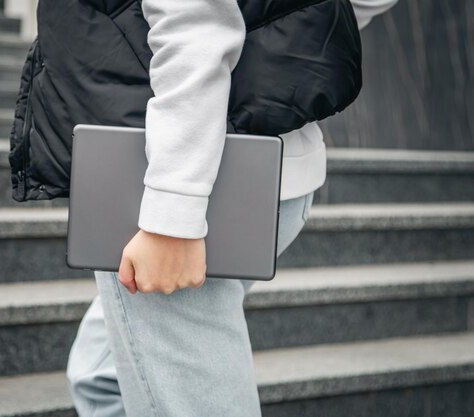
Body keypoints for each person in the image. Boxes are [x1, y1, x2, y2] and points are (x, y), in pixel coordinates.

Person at [66, 0, 399, 416]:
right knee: (100, 375)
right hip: (249, 169)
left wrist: (172, 214)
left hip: (176, 189)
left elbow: (194, 25)